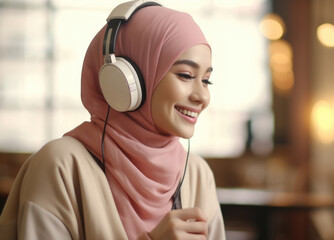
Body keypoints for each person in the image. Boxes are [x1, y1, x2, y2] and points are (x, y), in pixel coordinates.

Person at [0, 1, 226, 239]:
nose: (203, 96)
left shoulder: (197, 175)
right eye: (186, 75)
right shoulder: (61, 166)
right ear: (126, 81)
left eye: (206, 80)